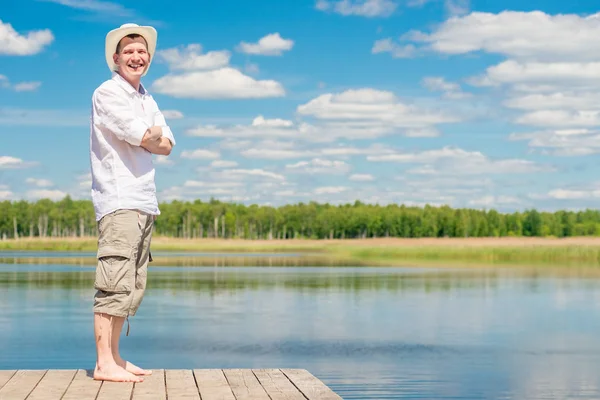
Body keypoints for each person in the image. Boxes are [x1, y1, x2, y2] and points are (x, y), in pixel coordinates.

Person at [89, 23, 176, 383]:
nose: (136, 57)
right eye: (129, 52)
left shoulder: (147, 99)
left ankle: (115, 358)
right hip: (120, 198)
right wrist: (148, 135)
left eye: (142, 52)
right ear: (116, 58)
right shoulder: (107, 93)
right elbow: (144, 134)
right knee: (113, 281)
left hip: (144, 201)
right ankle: (102, 364)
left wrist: (150, 136)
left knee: (131, 284)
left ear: (149, 59)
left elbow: (167, 143)